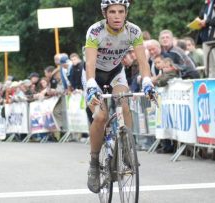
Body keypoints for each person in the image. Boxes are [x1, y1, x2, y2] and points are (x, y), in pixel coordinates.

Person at [83, 0, 156, 193]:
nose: (117, 15)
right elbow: (90, 63)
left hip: (116, 72)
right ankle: (93, 163)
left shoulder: (134, 31)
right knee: (100, 116)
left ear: (126, 13)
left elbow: (142, 61)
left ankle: (127, 149)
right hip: (94, 75)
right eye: (112, 11)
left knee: (124, 102)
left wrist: (147, 81)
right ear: (105, 14)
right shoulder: (95, 31)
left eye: (121, 11)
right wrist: (91, 85)